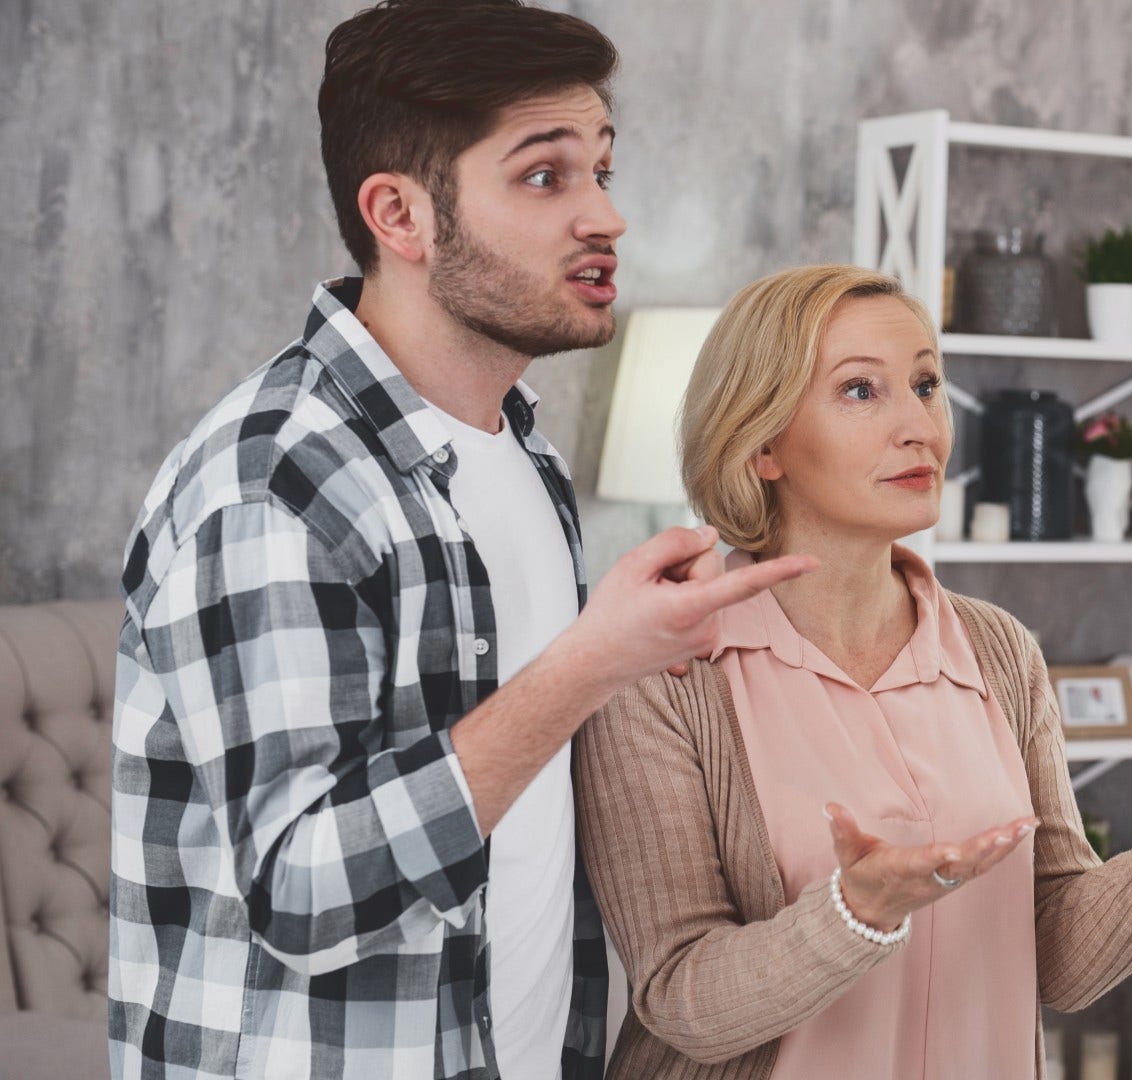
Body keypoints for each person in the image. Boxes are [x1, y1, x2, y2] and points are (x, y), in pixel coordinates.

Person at [107, 3, 812, 1078]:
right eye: (545, 177)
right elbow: (302, 890)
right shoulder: (274, 485)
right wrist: (589, 663)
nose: (606, 218)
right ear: (399, 213)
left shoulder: (523, 457)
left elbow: (516, 809)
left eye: (603, 170)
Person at [573, 264, 1132, 1079]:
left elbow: (1061, 955)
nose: (921, 426)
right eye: (859, 391)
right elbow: (679, 998)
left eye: (925, 385)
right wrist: (856, 914)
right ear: (762, 442)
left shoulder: (999, 650)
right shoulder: (662, 672)